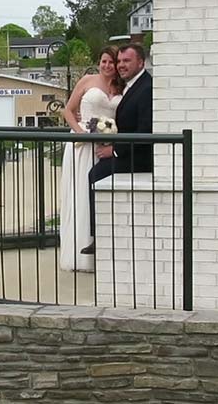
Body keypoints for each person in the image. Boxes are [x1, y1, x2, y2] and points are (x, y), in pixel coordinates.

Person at [82, 43, 154, 255]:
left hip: (139, 157)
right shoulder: (131, 85)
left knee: (97, 174)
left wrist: (114, 150)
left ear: (140, 62)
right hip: (127, 150)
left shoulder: (147, 87)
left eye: (126, 61)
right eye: (119, 61)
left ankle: (100, 238)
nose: (121, 65)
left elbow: (144, 130)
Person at [59, 46, 124, 271]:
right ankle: (78, 253)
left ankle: (100, 252)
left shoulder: (121, 86)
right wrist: (80, 132)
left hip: (105, 144)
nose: (107, 66)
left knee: (99, 195)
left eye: (112, 62)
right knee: (80, 195)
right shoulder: (87, 81)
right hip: (82, 143)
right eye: (104, 61)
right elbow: (68, 110)